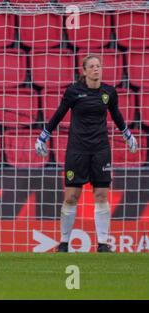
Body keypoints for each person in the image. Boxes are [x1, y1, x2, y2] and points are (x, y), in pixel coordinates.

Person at [35, 55, 138, 253]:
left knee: (100, 194)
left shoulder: (109, 92)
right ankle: (64, 243)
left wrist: (127, 134)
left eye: (98, 66)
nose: (96, 69)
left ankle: (102, 244)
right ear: (84, 71)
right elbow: (59, 113)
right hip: (77, 150)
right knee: (72, 196)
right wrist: (44, 136)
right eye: (91, 66)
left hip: (100, 150)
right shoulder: (74, 92)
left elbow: (116, 114)